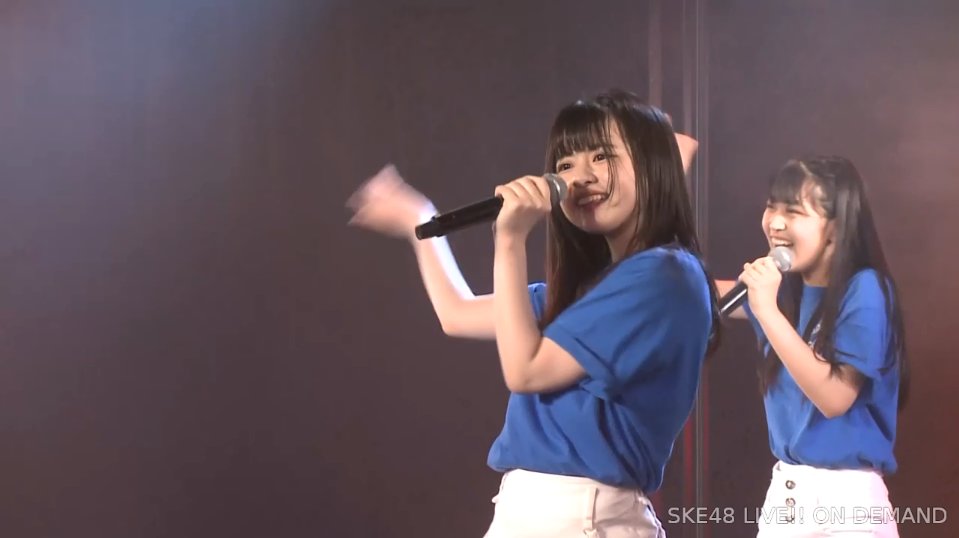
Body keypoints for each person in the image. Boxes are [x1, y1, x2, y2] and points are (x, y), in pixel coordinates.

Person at [346, 89, 719, 537]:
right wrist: (418, 220)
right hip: (532, 511)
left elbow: (526, 371)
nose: (579, 179)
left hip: (583, 517)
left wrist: (509, 240)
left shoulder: (663, 274)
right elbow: (456, 313)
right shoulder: (589, 289)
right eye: (565, 164)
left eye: (601, 156)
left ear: (653, 164)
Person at [718, 156, 908, 537]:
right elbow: (690, 292)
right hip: (786, 499)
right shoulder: (785, 295)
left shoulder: (866, 289)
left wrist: (766, 311)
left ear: (836, 226)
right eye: (772, 206)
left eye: (793, 211)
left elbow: (835, 397)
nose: (775, 222)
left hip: (847, 506)